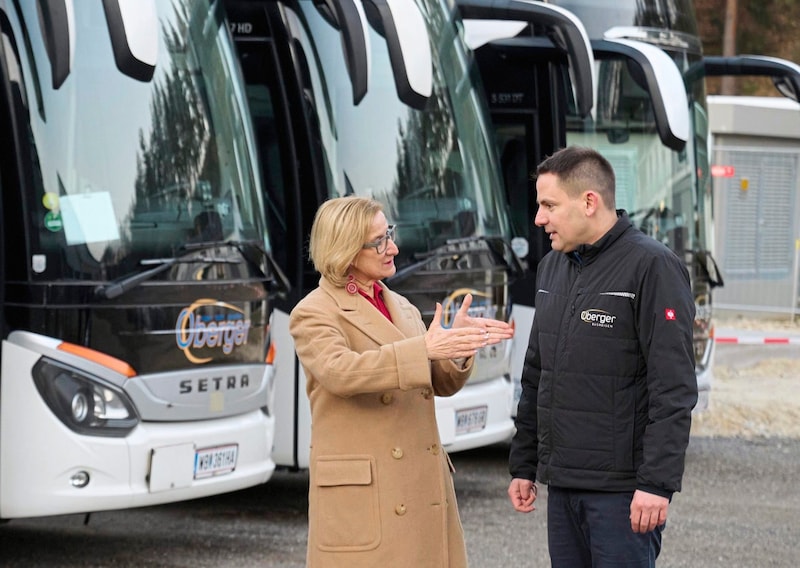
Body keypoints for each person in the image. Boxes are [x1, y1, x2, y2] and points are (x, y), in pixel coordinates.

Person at [289, 196, 514, 567]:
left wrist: (455, 348)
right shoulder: (312, 312)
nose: (392, 247)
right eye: (378, 241)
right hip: (369, 498)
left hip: (421, 487)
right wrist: (424, 348)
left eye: (389, 234)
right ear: (344, 248)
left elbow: (434, 383)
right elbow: (341, 371)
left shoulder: (401, 305)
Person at [507, 146, 698, 567]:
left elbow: (674, 388)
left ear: (589, 202)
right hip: (564, 487)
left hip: (622, 494)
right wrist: (523, 462)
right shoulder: (552, 267)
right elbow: (537, 373)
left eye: (548, 205)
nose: (539, 218)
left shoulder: (653, 267)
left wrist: (656, 484)